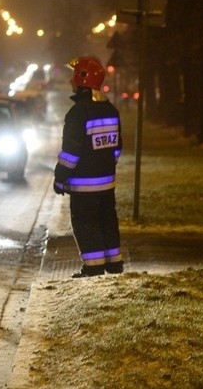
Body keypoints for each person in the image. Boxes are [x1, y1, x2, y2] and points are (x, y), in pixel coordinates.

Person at [53, 56, 123, 278]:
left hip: (83, 185)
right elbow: (117, 148)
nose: (70, 80)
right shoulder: (111, 109)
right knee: (107, 221)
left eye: (73, 76)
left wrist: (60, 177)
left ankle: (92, 267)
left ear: (81, 79)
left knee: (85, 223)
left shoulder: (77, 114)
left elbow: (71, 154)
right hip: (107, 182)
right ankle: (114, 264)